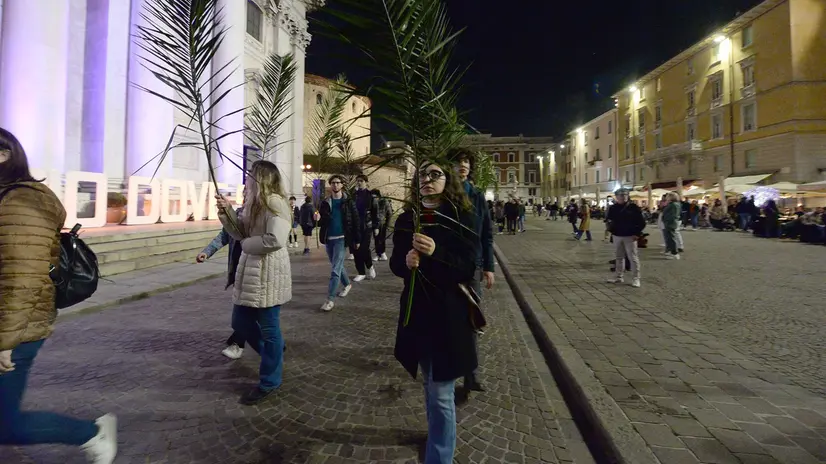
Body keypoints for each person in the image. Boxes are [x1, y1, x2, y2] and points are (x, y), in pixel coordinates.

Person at [0, 128, 117, 463]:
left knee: (6, 426)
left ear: (4, 154)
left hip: (14, 330)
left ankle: (90, 434)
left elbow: (22, 276)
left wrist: (5, 341)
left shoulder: (20, 200)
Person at [389, 160, 479, 464]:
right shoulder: (407, 219)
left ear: (447, 180)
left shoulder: (460, 217)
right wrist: (406, 262)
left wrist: (436, 252)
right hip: (418, 314)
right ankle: (437, 438)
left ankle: (440, 457)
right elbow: (395, 266)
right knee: (430, 384)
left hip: (448, 316)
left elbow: (467, 266)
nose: (427, 179)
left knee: (441, 392)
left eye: (435, 174)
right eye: (422, 175)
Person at [215, 160, 291, 405]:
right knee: (240, 322)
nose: (247, 179)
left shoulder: (276, 203)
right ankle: (274, 354)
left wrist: (247, 245)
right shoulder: (253, 204)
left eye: (251, 176)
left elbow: (275, 239)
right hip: (251, 271)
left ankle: (270, 379)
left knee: (269, 329)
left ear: (262, 178)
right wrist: (227, 213)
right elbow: (240, 234)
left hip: (268, 272)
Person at [449, 148, 494, 393]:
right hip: (446, 266)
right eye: (457, 162)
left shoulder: (477, 196)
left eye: (466, 161)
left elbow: (487, 234)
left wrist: (489, 267)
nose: (462, 165)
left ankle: (471, 374)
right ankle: (451, 371)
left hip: (472, 266)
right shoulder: (445, 193)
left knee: (471, 319)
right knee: (449, 319)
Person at [197, 204, 247, 360]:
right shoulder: (237, 214)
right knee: (243, 309)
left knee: (248, 311)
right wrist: (207, 251)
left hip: (255, 269)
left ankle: (241, 343)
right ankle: (241, 341)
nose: (247, 194)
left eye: (250, 190)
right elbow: (224, 236)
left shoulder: (260, 214)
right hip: (238, 269)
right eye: (245, 191)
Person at [316, 174, 359, 312]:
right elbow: (322, 222)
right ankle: (347, 284)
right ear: (330, 185)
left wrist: (357, 239)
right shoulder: (325, 203)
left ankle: (330, 299)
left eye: (338, 182)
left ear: (342, 185)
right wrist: (317, 218)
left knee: (335, 270)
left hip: (341, 239)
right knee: (337, 266)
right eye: (333, 183)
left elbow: (355, 221)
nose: (335, 185)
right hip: (329, 239)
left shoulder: (348, 202)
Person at [606, 189, 645, 288]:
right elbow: (609, 220)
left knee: (633, 257)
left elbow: (641, 222)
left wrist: (637, 233)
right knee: (619, 257)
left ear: (628, 196)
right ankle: (619, 276)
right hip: (617, 235)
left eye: (625, 195)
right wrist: (610, 229)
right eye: (620, 195)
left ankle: (636, 278)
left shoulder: (633, 207)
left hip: (630, 236)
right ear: (616, 197)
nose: (623, 197)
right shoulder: (613, 208)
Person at [352, 174, 379, 281]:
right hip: (355, 226)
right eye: (357, 180)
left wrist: (376, 226)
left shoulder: (370, 196)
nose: (359, 182)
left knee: (364, 249)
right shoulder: (354, 195)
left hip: (366, 225)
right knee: (356, 249)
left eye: (361, 181)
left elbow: (375, 211)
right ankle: (361, 272)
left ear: (366, 182)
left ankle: (370, 265)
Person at [373, 189, 393, 261]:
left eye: (375, 197)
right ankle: (379, 254)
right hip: (375, 223)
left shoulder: (384, 202)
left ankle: (381, 253)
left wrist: (387, 224)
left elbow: (389, 213)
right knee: (376, 239)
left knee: (381, 239)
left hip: (382, 223)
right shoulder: (373, 202)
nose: (373, 199)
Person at [661, 192, 682, 259]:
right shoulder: (673, 204)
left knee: (671, 238)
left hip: (670, 223)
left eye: (668, 196)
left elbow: (672, 215)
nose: (667, 197)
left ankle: (675, 253)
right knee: (669, 238)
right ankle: (671, 251)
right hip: (669, 223)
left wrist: (666, 221)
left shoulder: (673, 205)